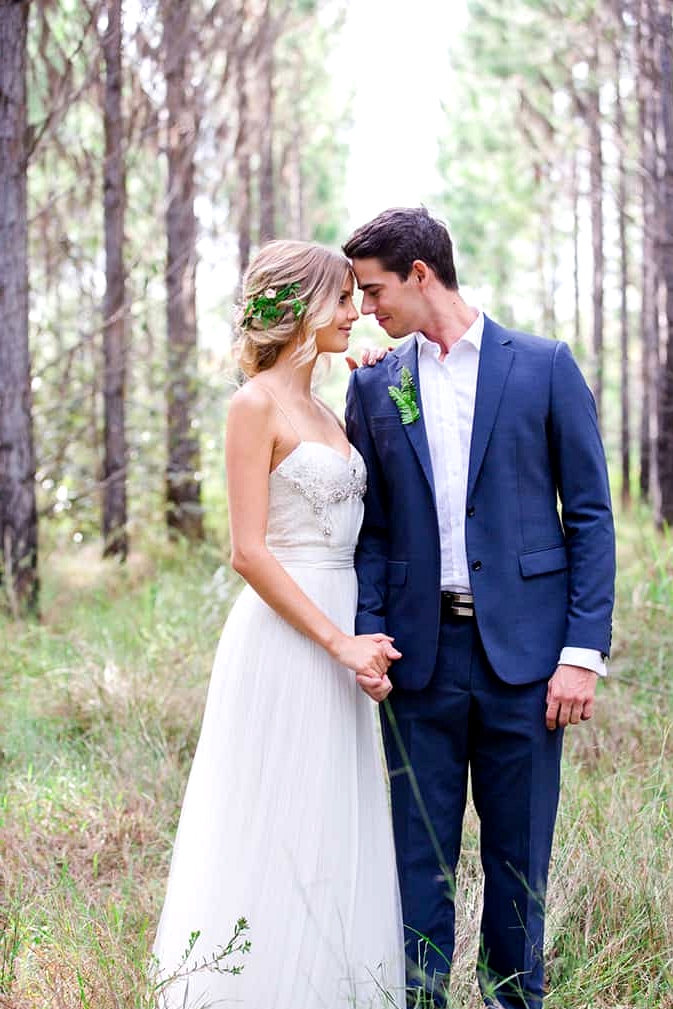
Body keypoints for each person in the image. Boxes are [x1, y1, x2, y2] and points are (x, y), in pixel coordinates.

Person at [343, 208, 616, 1009]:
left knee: (517, 854)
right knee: (417, 855)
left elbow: (591, 516)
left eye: (373, 289)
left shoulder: (542, 366)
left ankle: (511, 1000)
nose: (366, 308)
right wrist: (368, 627)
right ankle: (421, 1000)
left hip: (527, 661)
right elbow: (372, 527)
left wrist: (580, 651)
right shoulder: (374, 382)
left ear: (420, 274)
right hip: (416, 661)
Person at [152, 240, 405, 1009]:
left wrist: (374, 380)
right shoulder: (253, 403)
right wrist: (337, 642)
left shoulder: (331, 406)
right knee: (270, 812)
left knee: (331, 814)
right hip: (286, 635)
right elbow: (248, 551)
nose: (353, 312)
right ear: (297, 308)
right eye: (339, 299)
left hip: (343, 623)